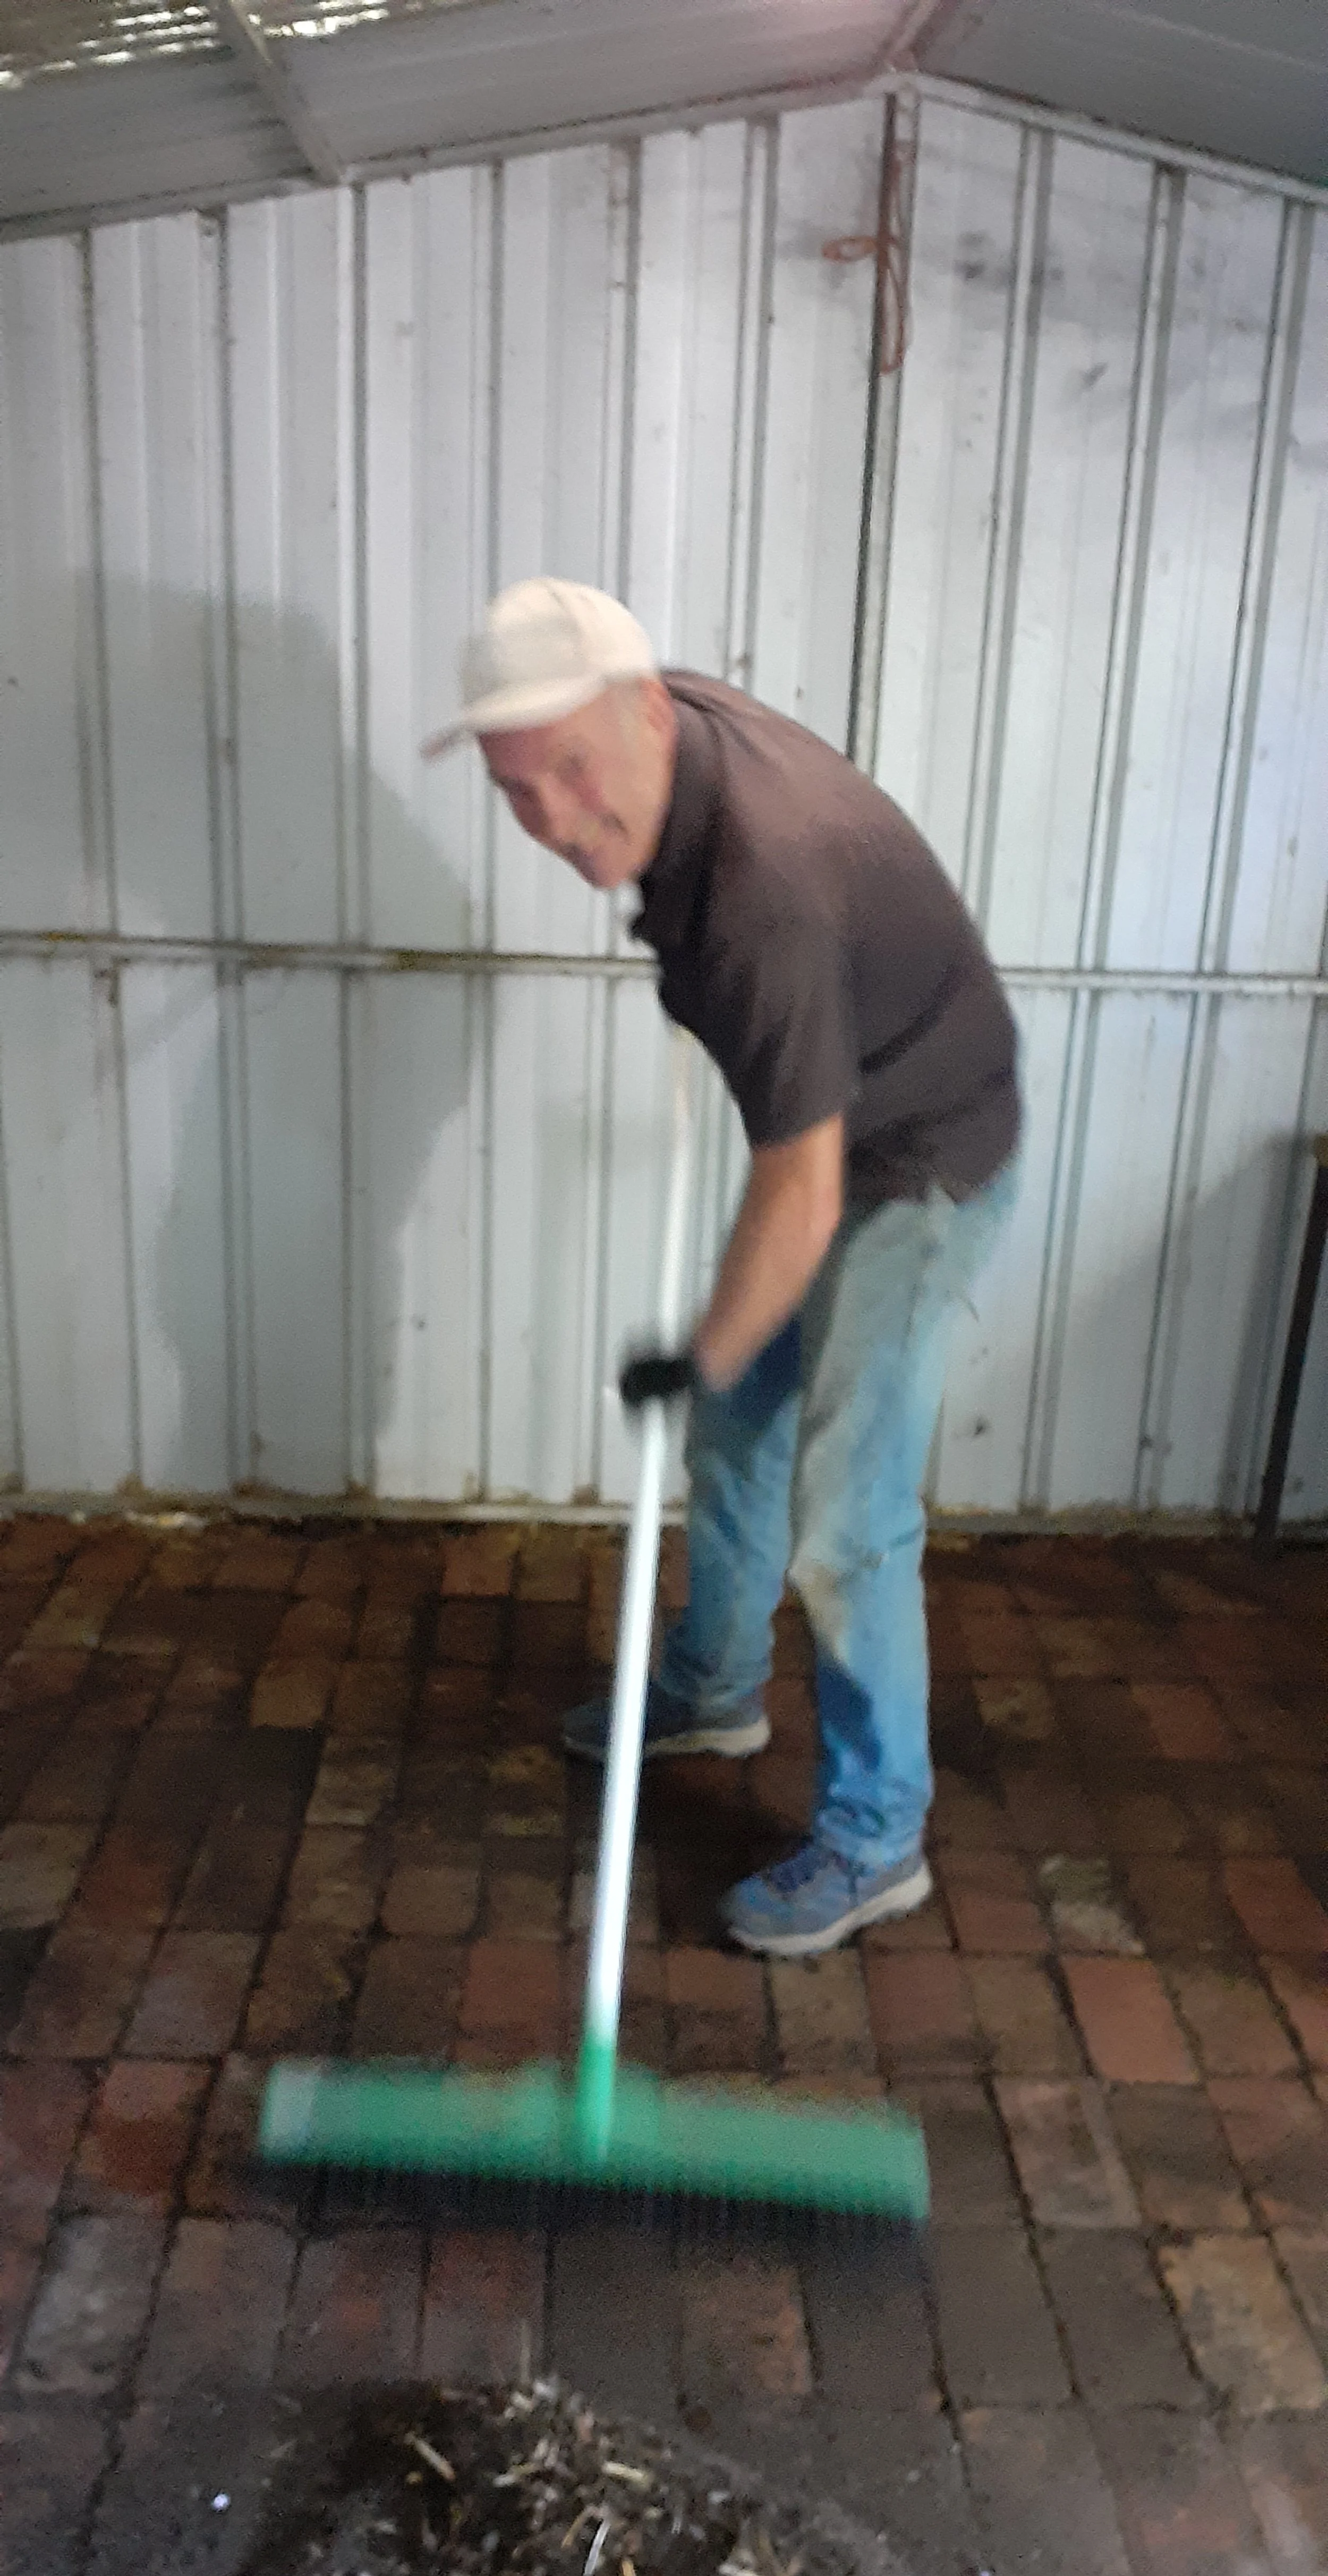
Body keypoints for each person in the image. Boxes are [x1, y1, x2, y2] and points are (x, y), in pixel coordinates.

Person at [423, 578, 1021, 1960]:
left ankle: (877, 1839)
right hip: (843, 1119)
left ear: (645, 709)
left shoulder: (766, 887)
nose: (558, 822)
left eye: (573, 772)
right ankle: (711, 1687)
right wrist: (720, 1364)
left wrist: (698, 1348)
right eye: (521, 791)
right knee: (740, 1422)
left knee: (845, 1518)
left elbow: (805, 1191)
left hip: (916, 1157)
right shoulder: (660, 722)